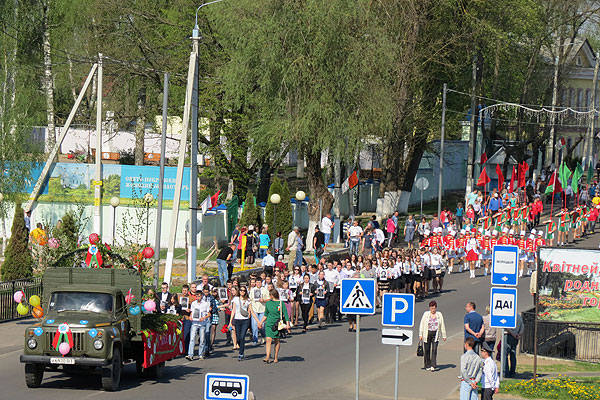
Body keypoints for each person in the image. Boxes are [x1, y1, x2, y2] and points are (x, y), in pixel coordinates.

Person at [229, 286, 261, 361]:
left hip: (245, 320)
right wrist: (230, 322)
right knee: (238, 338)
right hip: (237, 320)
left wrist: (258, 321)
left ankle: (241, 353)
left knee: (242, 336)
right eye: (241, 290)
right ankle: (241, 347)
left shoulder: (248, 300)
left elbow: (252, 311)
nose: (242, 292)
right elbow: (233, 310)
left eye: (244, 290)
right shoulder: (235, 299)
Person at [260, 289, 290, 363]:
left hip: (277, 324)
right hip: (269, 324)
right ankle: (267, 356)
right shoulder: (268, 303)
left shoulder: (281, 303)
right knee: (268, 340)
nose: (269, 297)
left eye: (270, 295)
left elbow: (285, 314)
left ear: (273, 295)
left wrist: (288, 324)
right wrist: (261, 322)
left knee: (276, 340)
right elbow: (266, 314)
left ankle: (276, 357)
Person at [418, 300, 447, 371]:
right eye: (431, 308)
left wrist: (444, 335)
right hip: (427, 334)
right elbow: (422, 324)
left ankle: (433, 365)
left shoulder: (439, 315)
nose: (433, 310)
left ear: (436, 308)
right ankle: (427, 364)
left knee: (434, 349)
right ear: (429, 308)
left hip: (435, 334)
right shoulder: (426, 314)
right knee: (427, 349)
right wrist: (420, 334)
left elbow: (442, 325)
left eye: (434, 308)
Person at [186, 286, 212, 360]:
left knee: (202, 339)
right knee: (192, 339)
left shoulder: (206, 304)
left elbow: (209, 314)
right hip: (194, 323)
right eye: (196, 296)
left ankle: (200, 354)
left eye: (199, 296)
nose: (197, 297)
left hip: (202, 323)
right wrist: (191, 316)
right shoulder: (194, 303)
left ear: (202, 296)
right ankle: (190, 354)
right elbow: (192, 312)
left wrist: (203, 318)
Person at [503, 313, 524, 378]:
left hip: (508, 336)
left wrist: (513, 334)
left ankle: (505, 372)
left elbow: (507, 328)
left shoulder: (508, 316)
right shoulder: (519, 317)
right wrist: (518, 334)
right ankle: (512, 372)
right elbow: (522, 327)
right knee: (513, 354)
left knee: (505, 355)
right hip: (516, 337)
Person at [250, 279, 269, 345]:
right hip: (254, 309)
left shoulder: (264, 290)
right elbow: (250, 300)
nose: (258, 284)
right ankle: (255, 339)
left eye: (259, 282)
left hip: (262, 309)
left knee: (262, 325)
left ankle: (264, 336)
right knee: (254, 325)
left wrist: (263, 300)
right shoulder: (252, 290)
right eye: (257, 282)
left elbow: (269, 298)